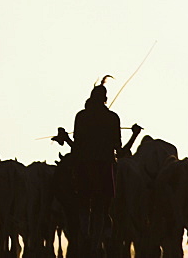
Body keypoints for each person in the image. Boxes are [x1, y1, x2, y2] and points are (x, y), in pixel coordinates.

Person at [71, 77, 121, 258]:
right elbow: (119, 148)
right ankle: (95, 245)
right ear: (105, 99)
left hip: (83, 168)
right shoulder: (112, 118)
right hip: (105, 168)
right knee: (102, 208)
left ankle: (84, 237)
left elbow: (76, 145)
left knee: (84, 205)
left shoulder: (81, 116)